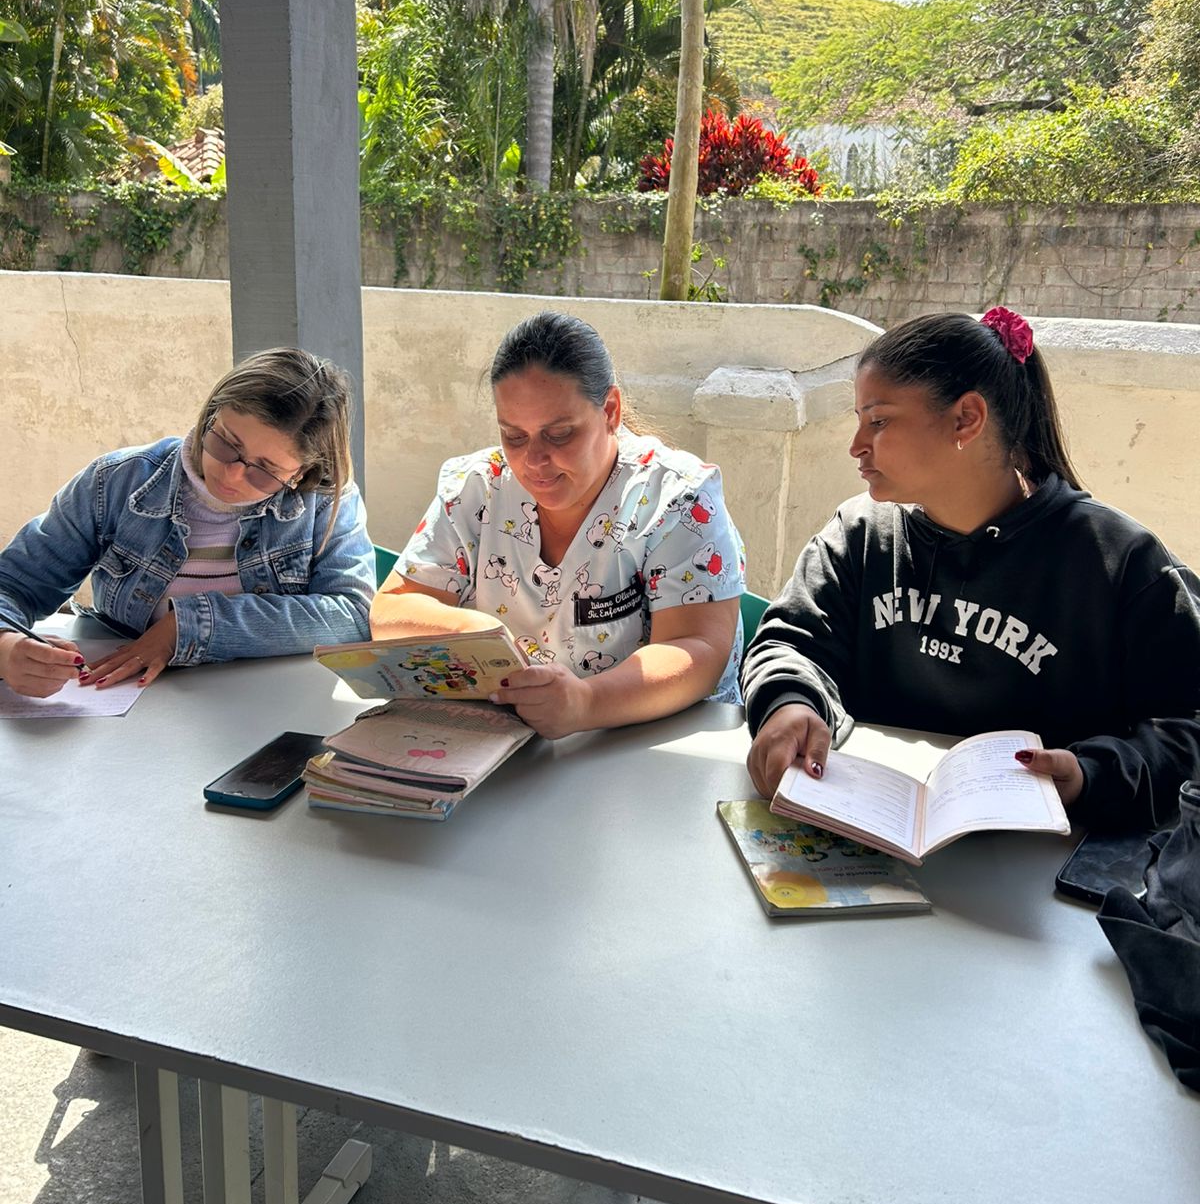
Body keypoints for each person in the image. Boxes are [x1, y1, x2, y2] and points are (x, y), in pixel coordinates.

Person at [742, 307, 1200, 832]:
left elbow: (1187, 725)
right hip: (866, 838)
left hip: (1046, 863)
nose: (856, 446)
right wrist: (789, 702)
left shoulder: (1120, 562)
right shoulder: (859, 534)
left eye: (879, 421)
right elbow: (790, 642)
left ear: (966, 418)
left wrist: (1089, 775)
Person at [371, 310, 746, 739]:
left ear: (610, 411)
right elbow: (391, 610)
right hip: (515, 747)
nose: (534, 461)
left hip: (653, 748)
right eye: (514, 436)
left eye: (560, 434)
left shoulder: (676, 498)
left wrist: (586, 703)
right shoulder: (477, 489)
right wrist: (473, 633)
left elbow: (697, 648)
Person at [0, 348, 374, 698]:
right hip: (128, 698)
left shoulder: (325, 502)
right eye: (227, 444)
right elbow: (13, 585)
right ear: (210, 415)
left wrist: (189, 626)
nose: (231, 475)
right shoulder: (115, 482)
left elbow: (353, 616)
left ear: (300, 473)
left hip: (271, 700)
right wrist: (6, 646)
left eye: (264, 470)